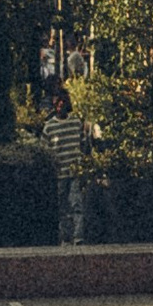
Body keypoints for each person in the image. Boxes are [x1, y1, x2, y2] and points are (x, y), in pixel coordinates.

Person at [41, 83, 92, 242]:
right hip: (59, 173)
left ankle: (78, 236)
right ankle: (65, 237)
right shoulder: (49, 127)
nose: (61, 106)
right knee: (62, 207)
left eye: (63, 102)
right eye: (58, 103)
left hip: (74, 171)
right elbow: (45, 151)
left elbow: (83, 145)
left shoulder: (76, 123)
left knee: (76, 204)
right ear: (55, 105)